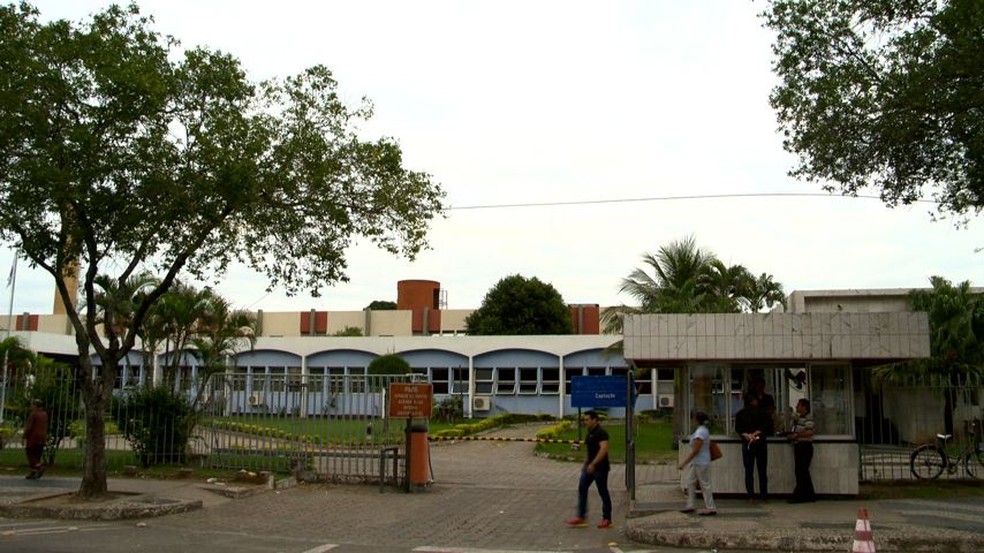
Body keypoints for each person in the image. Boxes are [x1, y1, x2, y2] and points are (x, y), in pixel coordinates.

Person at [566, 410, 613, 529]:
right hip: (589, 467)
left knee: (603, 491)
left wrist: (593, 463)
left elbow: (603, 450)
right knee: (582, 487)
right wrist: (586, 464)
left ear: (594, 420)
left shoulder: (602, 433)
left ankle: (607, 518)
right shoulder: (589, 433)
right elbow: (589, 451)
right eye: (584, 420)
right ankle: (581, 517)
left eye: (587, 420)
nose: (585, 422)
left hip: (600, 467)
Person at [678, 410, 716, 516]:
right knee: (690, 482)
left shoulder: (700, 433)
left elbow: (696, 450)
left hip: (701, 462)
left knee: (705, 484)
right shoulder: (702, 430)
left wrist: (684, 463)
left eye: (694, 419)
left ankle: (711, 507)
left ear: (697, 420)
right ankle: (690, 504)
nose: (693, 420)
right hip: (697, 462)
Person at [735, 394, 771, 501]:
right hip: (760, 442)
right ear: (753, 401)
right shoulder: (762, 413)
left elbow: (738, 429)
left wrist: (747, 435)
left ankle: (750, 494)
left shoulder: (740, 414)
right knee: (762, 470)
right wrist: (756, 433)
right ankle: (763, 495)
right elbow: (766, 427)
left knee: (748, 470)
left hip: (747, 443)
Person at [787, 398, 815, 503]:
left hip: (805, 446)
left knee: (801, 471)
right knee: (802, 471)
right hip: (798, 445)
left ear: (804, 407)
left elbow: (809, 432)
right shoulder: (798, 419)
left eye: (798, 405)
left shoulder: (808, 418)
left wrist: (797, 435)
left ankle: (799, 495)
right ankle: (809, 494)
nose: (796, 407)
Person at [23, 399, 49, 480]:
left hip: (33, 437)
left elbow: (29, 427)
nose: (31, 407)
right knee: (38, 454)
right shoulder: (45, 414)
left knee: (30, 453)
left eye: (32, 405)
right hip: (42, 437)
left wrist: (24, 436)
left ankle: (39, 466)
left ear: (36, 406)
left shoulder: (33, 414)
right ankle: (33, 472)